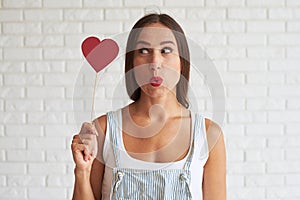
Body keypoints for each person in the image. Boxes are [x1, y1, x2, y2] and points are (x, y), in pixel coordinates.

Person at [71, 13, 226, 200]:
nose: (155, 63)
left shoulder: (208, 134)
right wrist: (82, 171)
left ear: (182, 62)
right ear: (131, 63)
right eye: (143, 51)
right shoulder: (102, 130)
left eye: (166, 50)